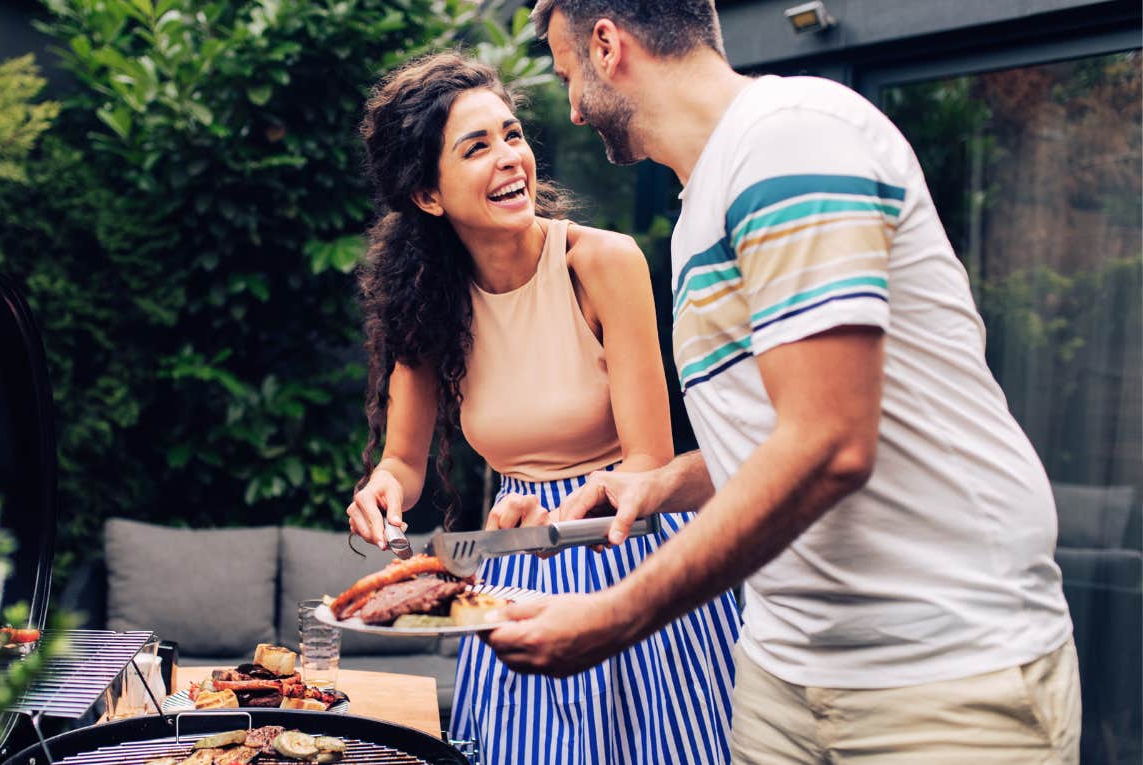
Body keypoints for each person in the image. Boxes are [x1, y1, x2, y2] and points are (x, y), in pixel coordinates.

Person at [481, 2, 1084, 763]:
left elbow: (829, 443)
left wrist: (612, 615)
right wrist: (666, 483)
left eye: (567, 76)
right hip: (782, 674)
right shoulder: (704, 199)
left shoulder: (788, 138)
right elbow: (788, 428)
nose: (571, 107)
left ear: (608, 44)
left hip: (940, 677)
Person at [345, 52, 739, 765]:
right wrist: (381, 489)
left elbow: (648, 462)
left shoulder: (603, 262)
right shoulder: (426, 300)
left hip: (626, 545)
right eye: (477, 147)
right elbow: (402, 460)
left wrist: (559, 522)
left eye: (512, 134)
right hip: (515, 558)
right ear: (429, 196)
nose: (510, 159)